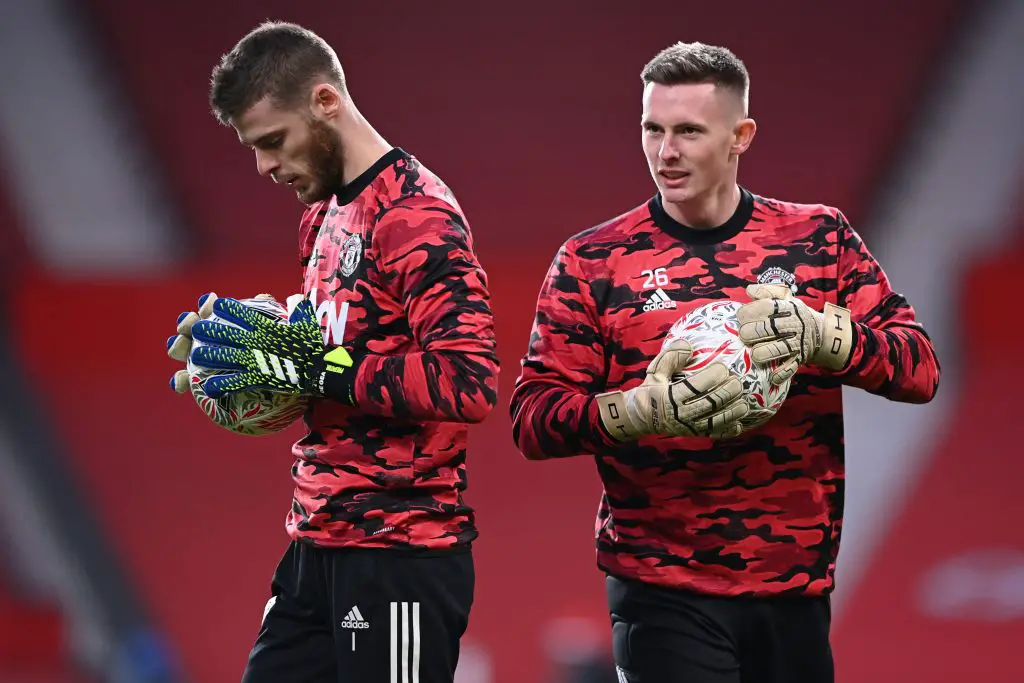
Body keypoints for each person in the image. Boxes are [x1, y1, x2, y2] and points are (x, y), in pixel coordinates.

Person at [509, 41, 940, 683]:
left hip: (794, 586)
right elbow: (532, 418)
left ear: (741, 136)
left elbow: (921, 369)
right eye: (652, 129)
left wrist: (828, 337)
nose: (666, 151)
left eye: (688, 131)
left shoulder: (818, 238)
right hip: (659, 586)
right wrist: (635, 411)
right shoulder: (593, 260)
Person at [166, 21, 499, 683]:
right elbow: (341, 346)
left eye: (272, 141)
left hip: (399, 549)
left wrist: (311, 363)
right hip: (317, 539)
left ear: (324, 103)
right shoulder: (319, 217)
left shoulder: (414, 212)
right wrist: (273, 342)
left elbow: (469, 381)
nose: (264, 166)